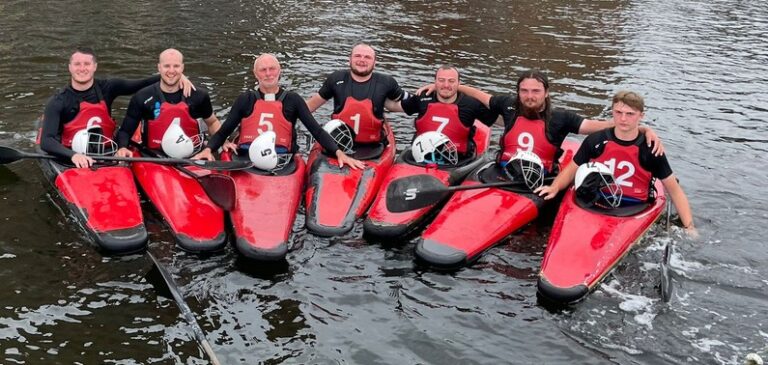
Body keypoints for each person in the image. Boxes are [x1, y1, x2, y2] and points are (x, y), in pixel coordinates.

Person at [418, 69, 663, 177]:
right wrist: (447, 86)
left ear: (545, 92)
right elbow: (480, 94)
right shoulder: (508, 104)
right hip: (503, 171)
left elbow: (593, 126)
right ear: (518, 92)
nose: (529, 96)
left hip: (540, 177)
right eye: (524, 90)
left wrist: (639, 128)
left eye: (535, 91)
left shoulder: (561, 118)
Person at [535, 91, 697, 237]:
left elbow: (675, 191)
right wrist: (554, 187)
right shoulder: (595, 140)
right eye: (618, 112)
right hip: (597, 199)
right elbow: (572, 169)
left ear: (641, 116)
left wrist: (689, 227)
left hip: (634, 206)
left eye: (630, 114)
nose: (623, 118)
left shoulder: (650, 149)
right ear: (612, 112)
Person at [192, 53, 364, 169]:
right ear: (255, 73)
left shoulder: (293, 100)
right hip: (246, 159)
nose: (268, 74)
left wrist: (338, 152)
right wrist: (209, 149)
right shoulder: (245, 99)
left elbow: (316, 130)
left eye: (272, 69)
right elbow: (224, 131)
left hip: (283, 160)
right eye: (263, 70)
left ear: (279, 71)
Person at [39, 47, 192, 168]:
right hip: (71, 156)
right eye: (77, 64)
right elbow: (46, 141)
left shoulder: (108, 87)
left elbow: (142, 83)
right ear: (70, 68)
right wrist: (73, 155)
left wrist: (178, 76)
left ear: (94, 67)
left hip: (107, 152)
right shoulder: (58, 100)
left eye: (87, 64)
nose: (82, 68)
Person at [115, 49, 219, 157]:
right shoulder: (142, 97)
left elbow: (212, 122)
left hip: (194, 155)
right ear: (159, 67)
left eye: (176, 66)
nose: (171, 70)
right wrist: (122, 147)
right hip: (154, 157)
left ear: (182, 68)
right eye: (167, 66)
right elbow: (125, 132)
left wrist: (222, 142)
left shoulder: (199, 96)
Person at [305, 43, 406, 147]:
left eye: (367, 57)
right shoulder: (336, 79)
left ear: (374, 63)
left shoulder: (386, 82)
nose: (362, 60)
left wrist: (422, 96)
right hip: (337, 145)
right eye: (357, 56)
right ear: (350, 59)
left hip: (374, 147)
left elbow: (408, 104)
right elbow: (308, 107)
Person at [386, 65, 496, 160]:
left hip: (459, 160)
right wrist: (377, 96)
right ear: (435, 82)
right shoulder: (423, 98)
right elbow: (395, 106)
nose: (446, 85)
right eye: (441, 80)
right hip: (421, 157)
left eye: (451, 81)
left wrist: (510, 112)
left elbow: (499, 120)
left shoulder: (471, 104)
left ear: (459, 83)